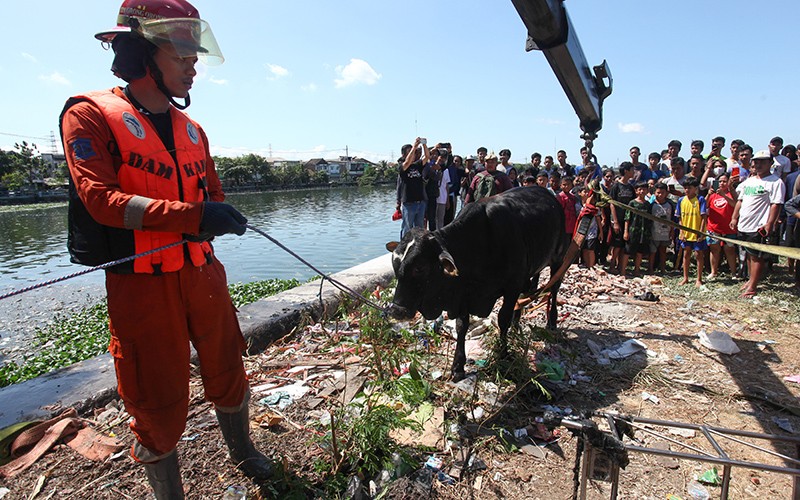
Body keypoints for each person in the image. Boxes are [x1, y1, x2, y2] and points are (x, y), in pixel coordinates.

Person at [60, 1, 273, 496]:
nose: (193, 67)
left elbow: (211, 192)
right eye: (181, 56)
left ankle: (244, 451)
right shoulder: (88, 115)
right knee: (154, 395)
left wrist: (215, 215)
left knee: (228, 365)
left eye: (195, 56)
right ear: (141, 54)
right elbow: (101, 201)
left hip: (203, 272)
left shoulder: (193, 130)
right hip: (142, 286)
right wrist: (193, 218)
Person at [731, 149, 785, 298]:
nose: (758, 164)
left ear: (770, 163)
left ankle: (753, 287)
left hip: (758, 225)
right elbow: (740, 201)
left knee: (757, 257)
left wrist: (769, 223)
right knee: (749, 255)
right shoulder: (749, 181)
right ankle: (750, 280)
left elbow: (776, 204)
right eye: (756, 161)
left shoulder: (775, 182)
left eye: (763, 162)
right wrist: (734, 218)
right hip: (744, 224)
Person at [675, 177, 708, 287]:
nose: (687, 190)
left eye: (689, 188)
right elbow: (679, 218)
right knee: (686, 254)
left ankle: (699, 279)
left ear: (695, 188)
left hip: (697, 233)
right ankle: (685, 278)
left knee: (698, 254)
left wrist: (701, 232)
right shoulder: (681, 200)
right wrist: (681, 232)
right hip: (686, 233)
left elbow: (703, 217)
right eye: (685, 188)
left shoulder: (700, 199)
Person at [705, 173, 738, 278]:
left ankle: (733, 273)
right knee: (714, 250)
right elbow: (704, 206)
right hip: (713, 227)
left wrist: (724, 195)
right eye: (720, 181)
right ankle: (713, 272)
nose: (722, 183)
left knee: (730, 250)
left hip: (728, 228)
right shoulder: (712, 194)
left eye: (724, 181)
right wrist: (708, 194)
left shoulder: (731, 193)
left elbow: (735, 204)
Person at [398, 138, 431, 237]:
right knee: (407, 228)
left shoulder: (417, 165)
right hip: (409, 203)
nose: (413, 154)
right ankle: (404, 245)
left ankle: (418, 244)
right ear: (404, 155)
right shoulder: (402, 166)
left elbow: (427, 157)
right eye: (410, 152)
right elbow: (407, 162)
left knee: (420, 228)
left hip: (420, 202)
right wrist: (415, 146)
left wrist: (424, 144)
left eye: (413, 152)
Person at [608, 162, 636, 274]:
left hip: (627, 219)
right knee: (617, 244)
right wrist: (615, 221)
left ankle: (621, 267)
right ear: (626, 171)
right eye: (632, 170)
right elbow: (612, 203)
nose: (633, 172)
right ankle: (612, 265)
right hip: (617, 218)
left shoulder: (630, 187)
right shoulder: (616, 186)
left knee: (624, 244)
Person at [624, 181, 653, 277]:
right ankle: (623, 271)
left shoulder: (648, 204)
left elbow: (650, 219)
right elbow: (627, 218)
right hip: (633, 231)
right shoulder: (632, 203)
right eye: (640, 189)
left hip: (644, 232)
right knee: (628, 251)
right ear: (636, 191)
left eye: (644, 189)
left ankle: (637, 270)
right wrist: (626, 231)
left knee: (640, 252)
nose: (642, 191)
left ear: (647, 191)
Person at [650, 183, 675, 274]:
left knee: (663, 251)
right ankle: (650, 269)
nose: (660, 195)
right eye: (658, 192)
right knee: (652, 251)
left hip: (665, 232)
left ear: (666, 193)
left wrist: (672, 231)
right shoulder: (651, 205)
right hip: (654, 232)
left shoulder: (670, 205)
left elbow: (672, 219)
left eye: (662, 193)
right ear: (654, 193)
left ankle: (663, 269)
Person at [556, 176, 579, 250]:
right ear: (560, 185)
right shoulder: (559, 197)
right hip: (563, 225)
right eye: (564, 185)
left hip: (572, 224)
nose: (566, 186)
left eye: (568, 184)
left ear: (572, 185)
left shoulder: (573, 197)